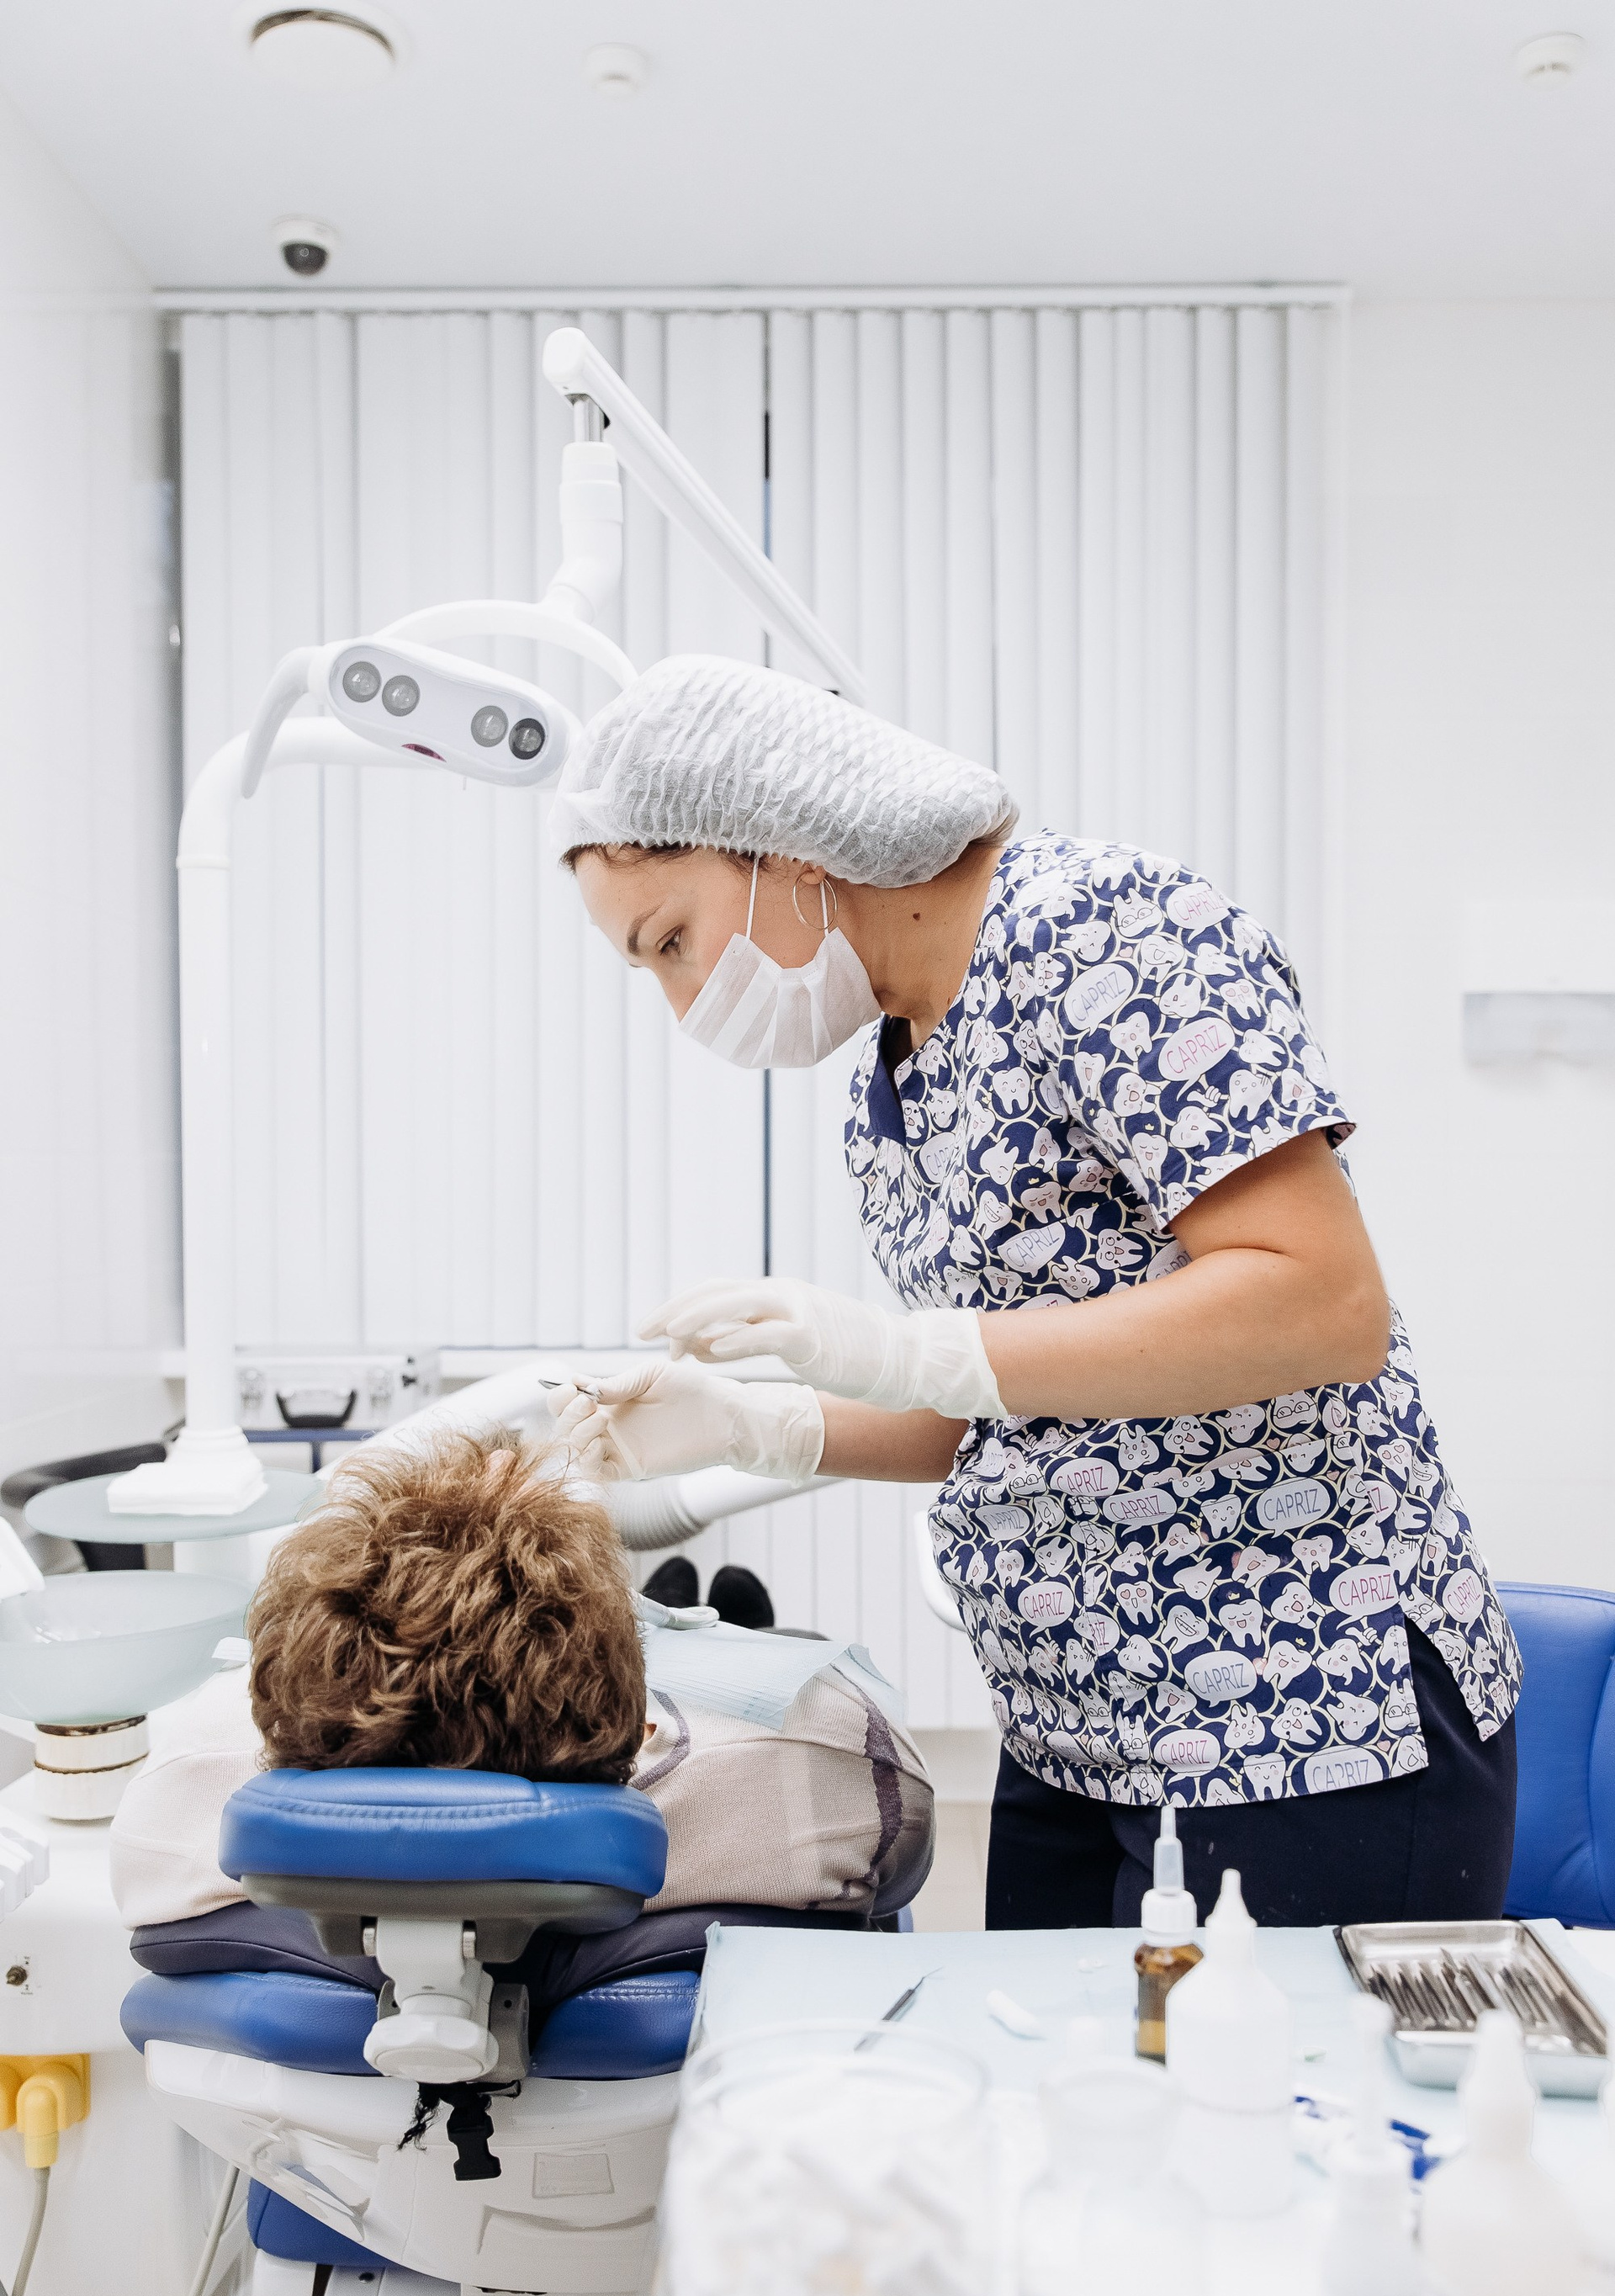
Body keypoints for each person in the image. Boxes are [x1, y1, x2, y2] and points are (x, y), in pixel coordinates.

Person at [548, 652, 1520, 1933]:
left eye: (672, 941)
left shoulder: (1109, 934)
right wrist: (757, 1426)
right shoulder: (894, 1070)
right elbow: (1006, 1404)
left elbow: (1322, 1305)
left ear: (781, 846)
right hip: (1081, 1721)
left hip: (1299, 1707)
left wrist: (914, 1349)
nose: (684, 1006)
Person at [109, 1429, 932, 1932]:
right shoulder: (830, 1766)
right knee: (751, 1636)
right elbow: (897, 1839)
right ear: (636, 1727)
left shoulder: (173, 1798)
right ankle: (707, 1622)